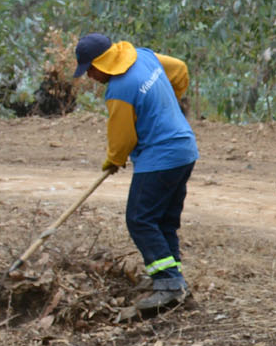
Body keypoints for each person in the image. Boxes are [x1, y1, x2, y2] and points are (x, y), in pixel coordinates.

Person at [72, 33, 198, 313]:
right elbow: (179, 70)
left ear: (101, 63)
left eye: (90, 70)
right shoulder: (143, 56)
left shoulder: (119, 90)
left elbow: (123, 139)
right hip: (184, 150)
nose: (90, 77)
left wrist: (113, 160)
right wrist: (166, 104)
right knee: (162, 219)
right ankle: (173, 279)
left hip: (161, 157)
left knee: (140, 219)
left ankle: (167, 284)